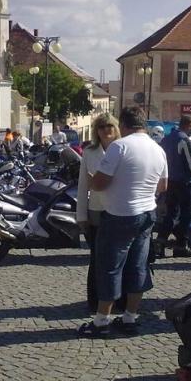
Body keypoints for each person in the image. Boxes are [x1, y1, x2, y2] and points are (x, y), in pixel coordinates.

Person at [77, 107, 167, 338]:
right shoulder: (157, 149)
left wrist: (95, 179)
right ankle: (130, 317)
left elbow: (99, 183)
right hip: (147, 212)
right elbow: (163, 186)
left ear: (124, 126)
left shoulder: (120, 146)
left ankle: (101, 321)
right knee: (138, 265)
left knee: (109, 266)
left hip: (120, 213)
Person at [76, 113, 120, 311]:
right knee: (97, 258)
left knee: (118, 258)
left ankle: (117, 299)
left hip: (119, 211)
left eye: (109, 126)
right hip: (96, 210)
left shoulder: (123, 149)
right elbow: (82, 186)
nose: (106, 130)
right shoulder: (89, 152)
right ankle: (95, 300)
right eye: (101, 127)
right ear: (96, 131)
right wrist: (81, 216)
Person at [157, 115, 191, 257]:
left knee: (171, 213)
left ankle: (160, 242)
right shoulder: (184, 140)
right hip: (185, 182)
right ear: (190, 125)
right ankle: (181, 245)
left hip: (170, 180)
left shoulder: (166, 139)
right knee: (187, 214)